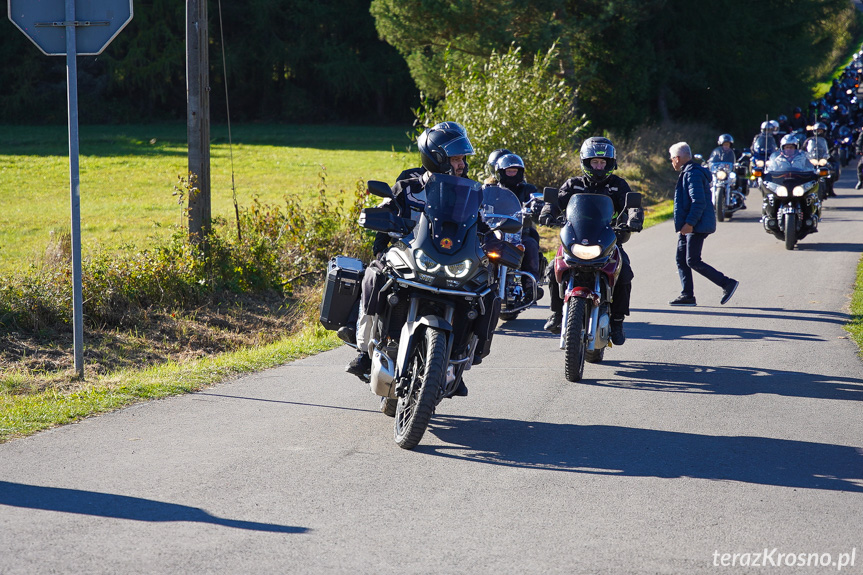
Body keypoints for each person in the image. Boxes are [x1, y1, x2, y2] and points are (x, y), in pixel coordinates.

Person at [345, 123, 495, 389]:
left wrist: (494, 240)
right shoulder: (408, 186)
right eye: (456, 159)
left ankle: (459, 357)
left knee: (485, 293)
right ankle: (364, 352)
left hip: (451, 261)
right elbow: (388, 208)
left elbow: (480, 224)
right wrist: (381, 239)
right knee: (374, 274)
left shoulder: (468, 193)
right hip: (410, 256)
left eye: (462, 159)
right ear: (436, 158)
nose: (461, 165)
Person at [539, 136, 640, 344]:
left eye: (603, 162)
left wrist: (634, 218)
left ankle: (618, 322)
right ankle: (557, 313)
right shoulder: (573, 184)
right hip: (575, 240)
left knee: (625, 273)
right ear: (586, 162)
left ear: (610, 163)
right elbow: (556, 202)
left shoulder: (617, 185)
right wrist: (547, 212)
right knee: (552, 269)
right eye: (595, 162)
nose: (599, 167)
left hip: (608, 239)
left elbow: (632, 206)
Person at [668, 142, 739, 307]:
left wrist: (689, 223)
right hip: (690, 224)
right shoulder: (688, 172)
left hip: (695, 224)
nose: (672, 162)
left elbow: (698, 202)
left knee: (692, 260)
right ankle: (687, 295)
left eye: (672, 159)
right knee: (681, 259)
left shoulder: (693, 174)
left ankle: (727, 283)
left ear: (677, 158)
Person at [489, 153, 542, 299]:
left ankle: (530, 286)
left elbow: (535, 201)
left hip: (520, 233)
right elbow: (481, 201)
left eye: (515, 171)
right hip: (496, 233)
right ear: (500, 172)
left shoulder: (527, 189)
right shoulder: (491, 189)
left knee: (530, 244)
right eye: (509, 171)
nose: (512, 174)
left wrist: (537, 206)